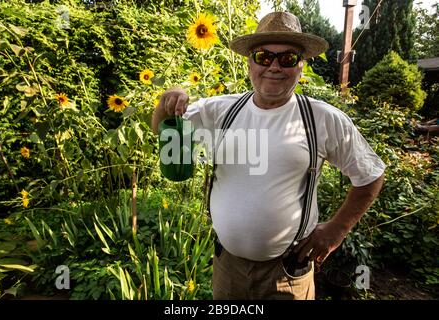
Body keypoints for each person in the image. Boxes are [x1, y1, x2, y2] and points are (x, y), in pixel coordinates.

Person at [151, 11, 385, 300]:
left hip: (288, 275)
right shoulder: (220, 111)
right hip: (227, 268)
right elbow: (161, 130)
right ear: (250, 62)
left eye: (287, 58)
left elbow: (371, 174)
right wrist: (169, 99)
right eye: (264, 57)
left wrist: (337, 230)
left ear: (301, 65)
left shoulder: (322, 118)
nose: (274, 66)